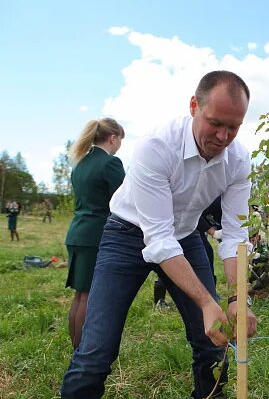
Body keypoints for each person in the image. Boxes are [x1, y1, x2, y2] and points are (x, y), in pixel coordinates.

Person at [60, 70, 257, 399]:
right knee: (96, 353)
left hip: (185, 235)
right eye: (216, 123)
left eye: (233, 127)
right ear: (194, 105)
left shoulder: (238, 161)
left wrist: (239, 298)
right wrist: (208, 301)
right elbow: (159, 240)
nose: (223, 136)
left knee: (212, 343)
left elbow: (235, 235)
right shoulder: (157, 146)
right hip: (127, 235)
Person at [65, 118, 126, 349]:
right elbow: (124, 199)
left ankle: (77, 350)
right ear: (113, 138)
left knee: (80, 295)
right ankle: (82, 353)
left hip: (77, 233)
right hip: (97, 236)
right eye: (120, 140)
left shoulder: (80, 163)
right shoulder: (110, 163)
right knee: (89, 296)